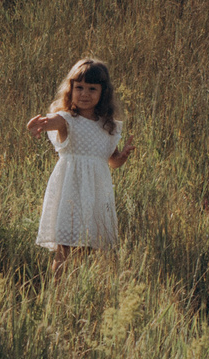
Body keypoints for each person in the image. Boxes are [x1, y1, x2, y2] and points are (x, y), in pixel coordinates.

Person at [27, 58, 134, 272]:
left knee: (91, 248)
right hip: (70, 193)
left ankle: (81, 294)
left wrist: (121, 157)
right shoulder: (67, 119)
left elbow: (110, 161)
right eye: (79, 88)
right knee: (64, 248)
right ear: (70, 89)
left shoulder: (107, 126)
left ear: (103, 92)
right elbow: (52, 121)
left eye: (92, 89)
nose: (84, 94)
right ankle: (57, 298)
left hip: (96, 195)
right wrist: (39, 124)